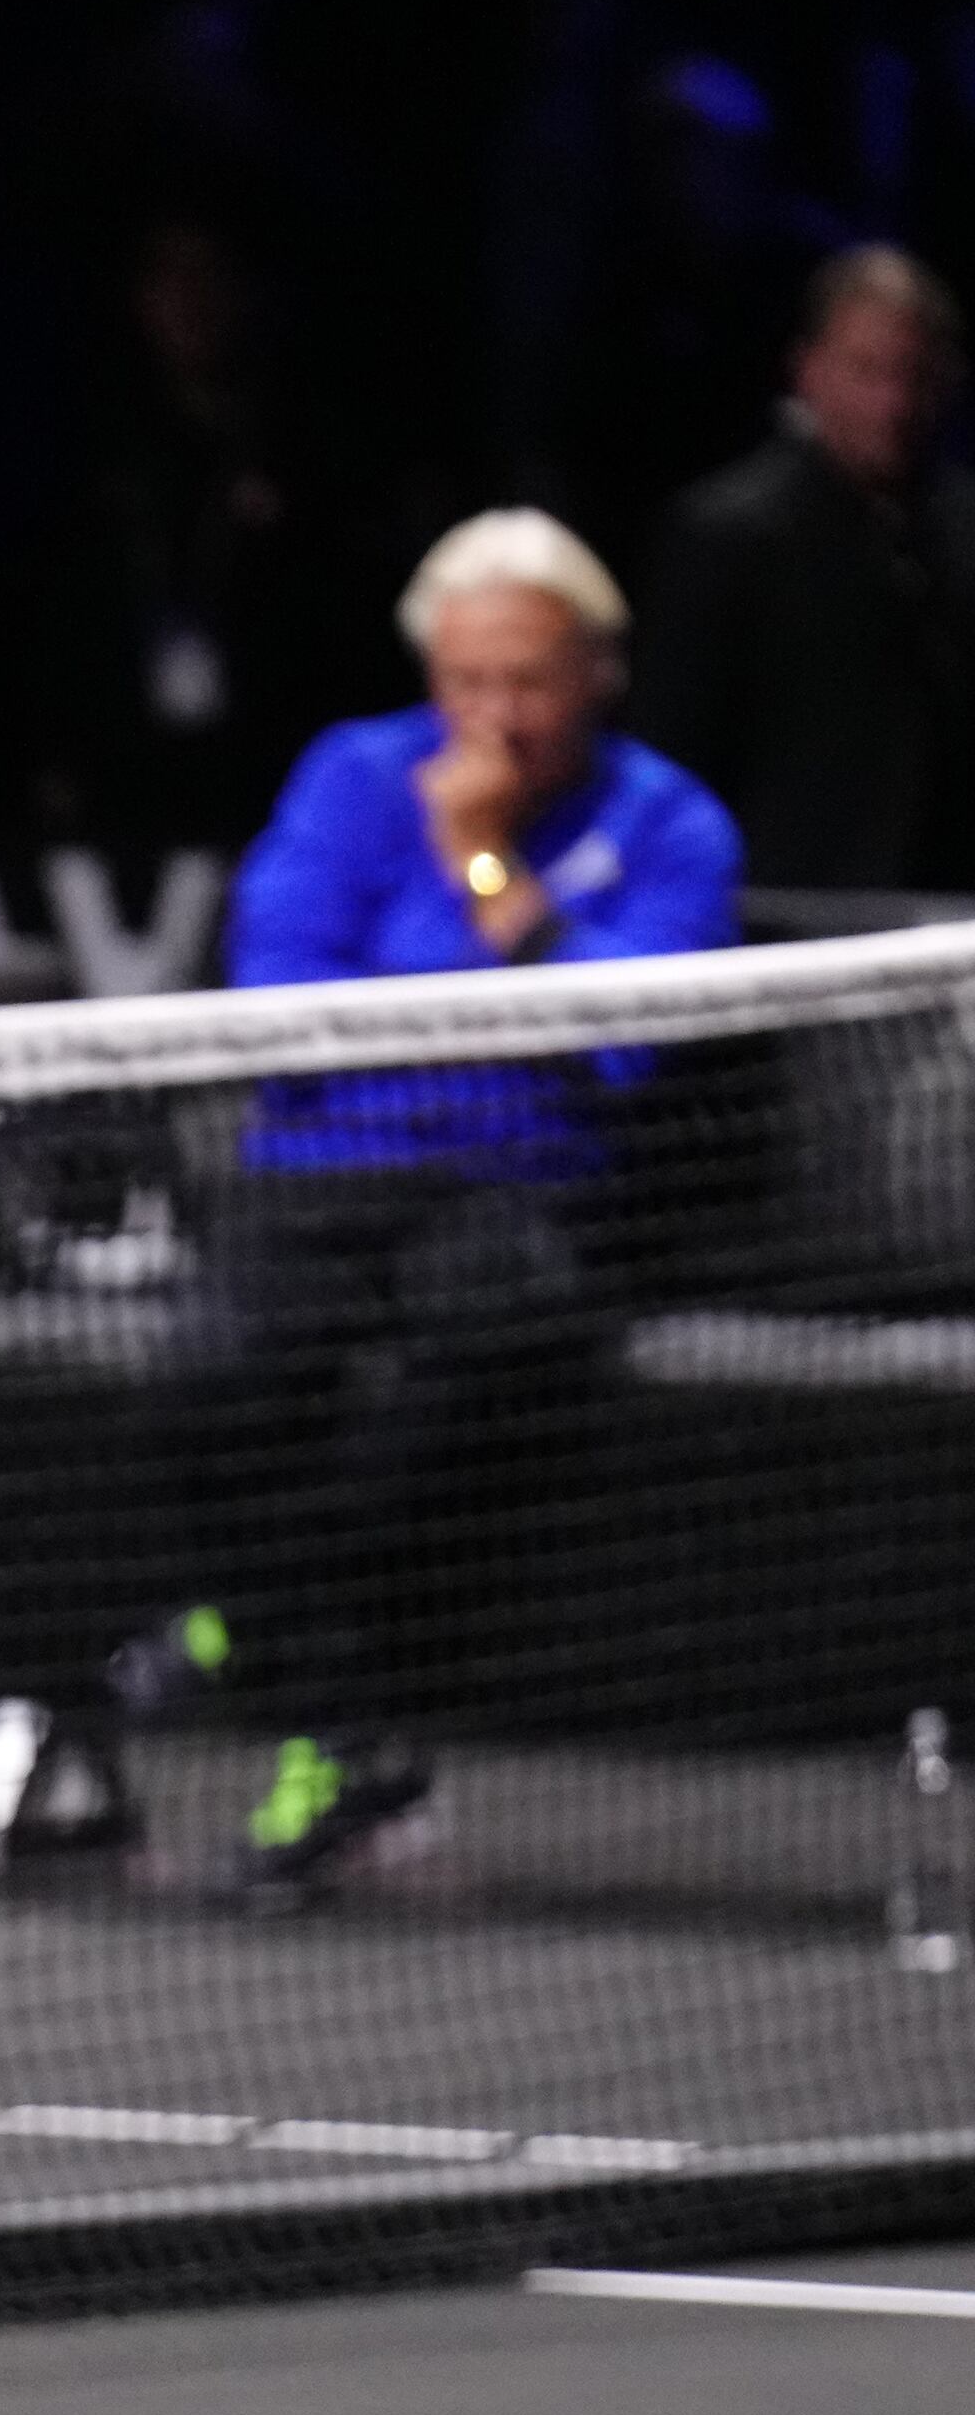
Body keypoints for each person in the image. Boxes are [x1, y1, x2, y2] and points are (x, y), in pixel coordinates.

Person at [162, 509, 739, 1889]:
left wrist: (484, 866)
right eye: (465, 682)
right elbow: (282, 982)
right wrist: (487, 1025)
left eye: (527, 682)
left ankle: (276, 1665)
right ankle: (321, 1700)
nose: (494, 714)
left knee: (476, 1363)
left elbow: (619, 1044)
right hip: (322, 1172)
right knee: (207, 1380)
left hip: (518, 1185)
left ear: (598, 674)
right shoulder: (352, 777)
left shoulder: (674, 825)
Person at [632, 246, 975, 893]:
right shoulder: (729, 533)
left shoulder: (961, 528)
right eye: (867, 372)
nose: (892, 404)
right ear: (808, 372)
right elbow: (671, 757)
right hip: (782, 917)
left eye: (914, 374)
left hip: (947, 914)